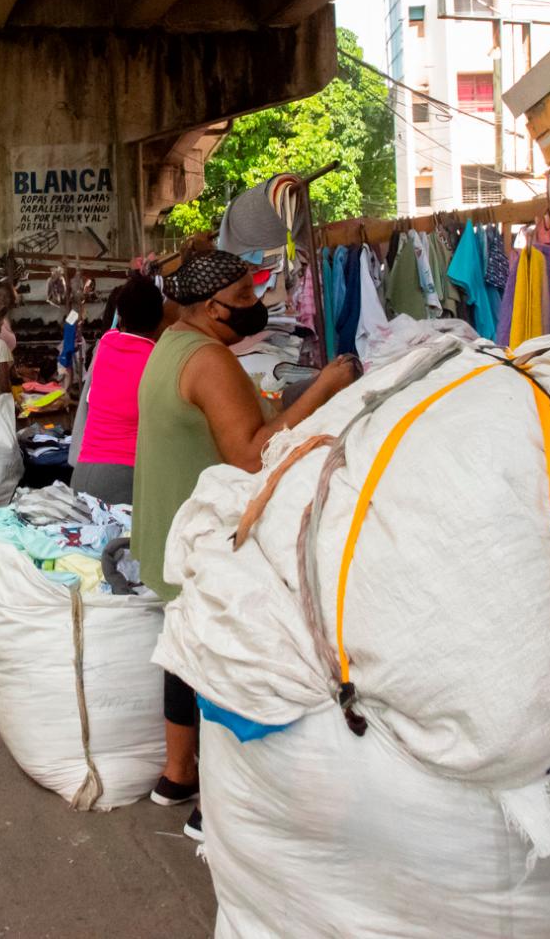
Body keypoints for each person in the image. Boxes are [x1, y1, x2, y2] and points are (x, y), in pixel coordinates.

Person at [134, 250, 358, 841]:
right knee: (221, 660)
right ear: (213, 308)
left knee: (185, 647)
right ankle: (214, 805)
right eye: (247, 299)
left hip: (166, 524)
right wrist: (328, 387)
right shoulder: (209, 359)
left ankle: (176, 775)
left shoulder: (172, 342)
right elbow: (251, 454)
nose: (258, 307)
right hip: (204, 537)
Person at [69, 277, 165, 503]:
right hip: (123, 477)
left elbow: (114, 325)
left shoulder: (106, 344)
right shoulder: (158, 360)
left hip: (82, 472)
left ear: (120, 317)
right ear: (161, 319)